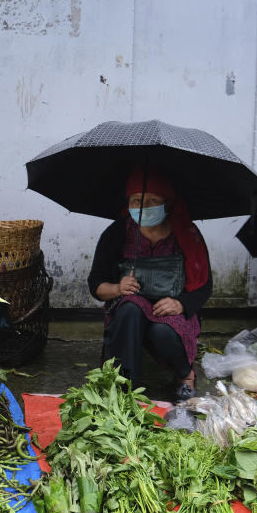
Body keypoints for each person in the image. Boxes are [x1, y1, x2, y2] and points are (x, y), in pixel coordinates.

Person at [87, 167, 213, 402]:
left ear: (167, 203)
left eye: (152, 200)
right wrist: (117, 288)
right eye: (136, 200)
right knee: (130, 309)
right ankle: (121, 387)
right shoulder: (117, 232)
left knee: (162, 330)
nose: (143, 207)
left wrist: (181, 304)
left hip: (170, 308)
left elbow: (205, 286)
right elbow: (96, 282)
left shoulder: (187, 234)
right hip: (130, 308)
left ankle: (185, 376)